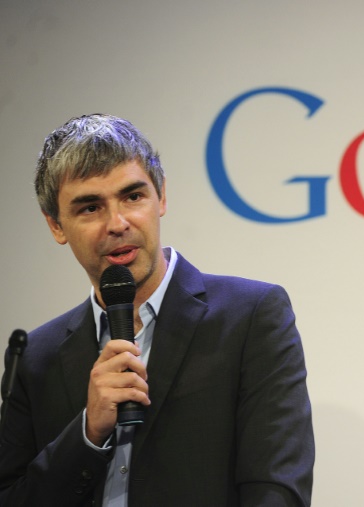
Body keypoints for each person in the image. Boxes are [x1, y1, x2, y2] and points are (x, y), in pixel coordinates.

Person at [0, 114, 315, 506]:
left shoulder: (250, 317)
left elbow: (276, 487)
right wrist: (87, 433)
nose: (117, 223)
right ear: (56, 226)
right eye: (90, 208)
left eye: (133, 197)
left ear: (161, 196)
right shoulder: (35, 357)